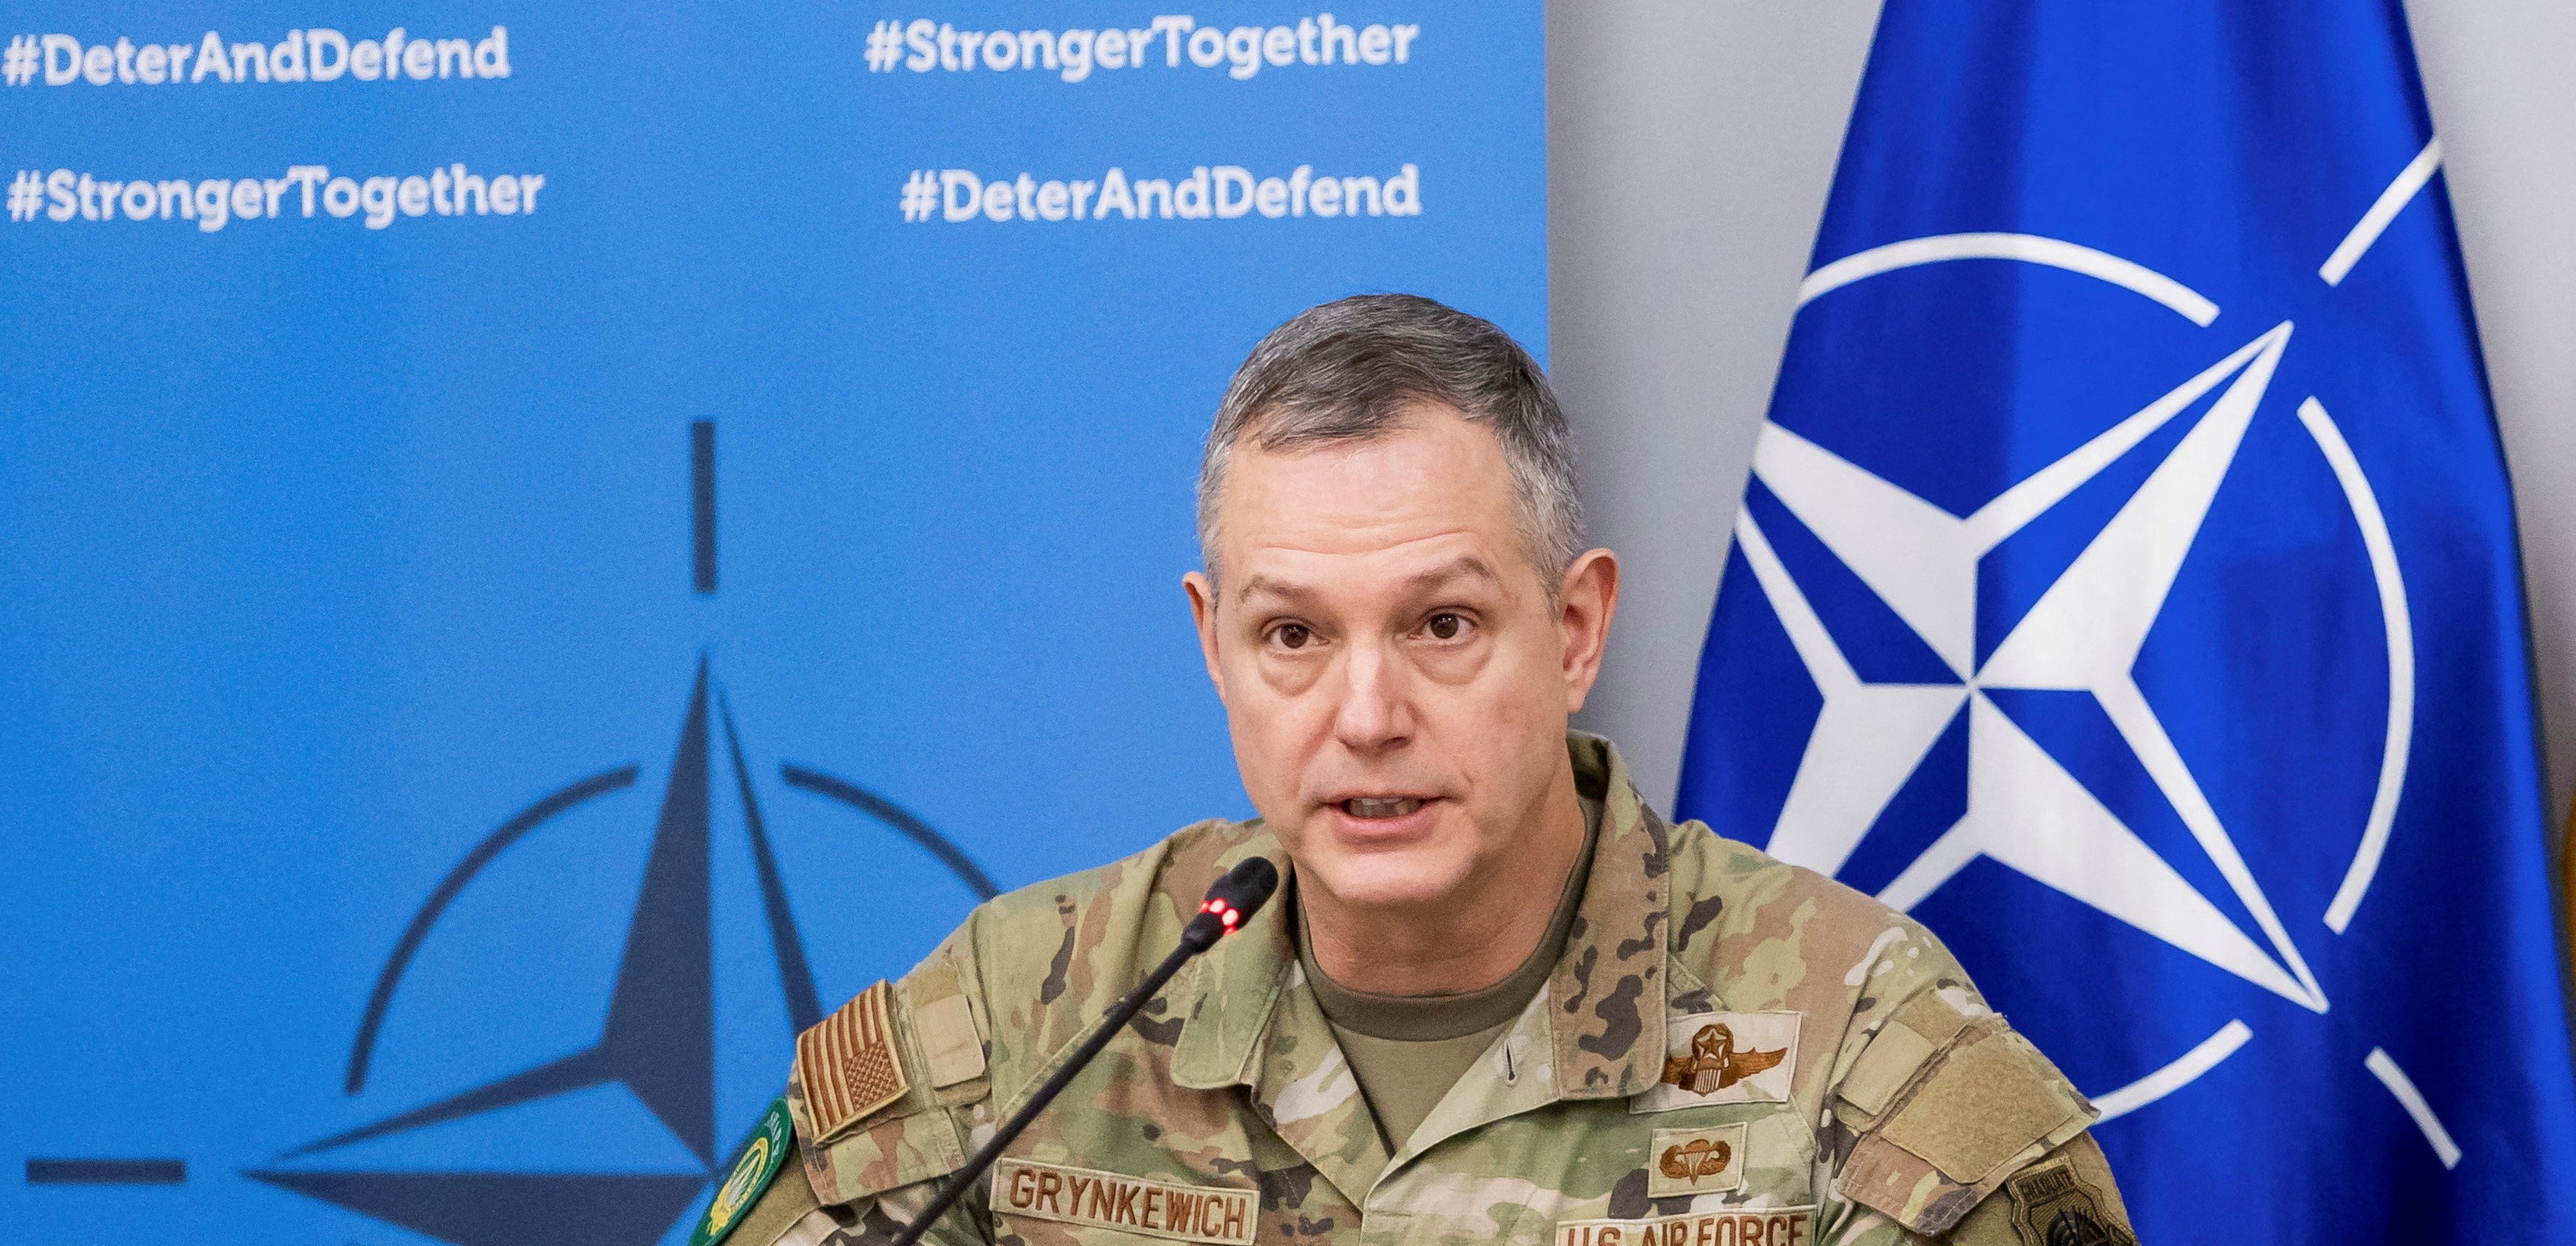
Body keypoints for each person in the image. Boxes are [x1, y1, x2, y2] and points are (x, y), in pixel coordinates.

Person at [696, 295, 2139, 1246]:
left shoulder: (1856, 1047)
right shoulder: (1024, 1017)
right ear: (1211, 644)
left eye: (1441, 624)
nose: (1366, 713)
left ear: (1573, 630)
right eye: (1292, 635)